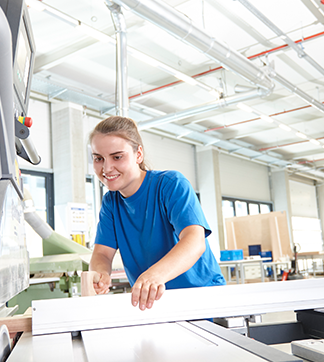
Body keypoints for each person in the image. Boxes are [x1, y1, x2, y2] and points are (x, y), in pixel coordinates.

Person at [87, 116, 225, 310]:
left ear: (138, 155)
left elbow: (195, 241)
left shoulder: (171, 185)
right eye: (98, 158)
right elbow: (102, 253)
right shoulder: (111, 203)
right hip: (155, 306)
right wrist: (100, 274)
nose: (107, 168)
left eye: (117, 157)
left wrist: (154, 275)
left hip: (203, 300)